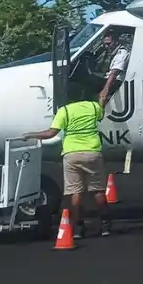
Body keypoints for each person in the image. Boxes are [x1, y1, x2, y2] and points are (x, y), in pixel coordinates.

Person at [24, 33, 129, 237]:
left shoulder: (64, 111)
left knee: (75, 193)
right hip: (92, 153)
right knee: (98, 191)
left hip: (71, 154)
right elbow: (101, 105)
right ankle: (106, 224)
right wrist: (102, 96)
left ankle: (79, 227)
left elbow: (50, 133)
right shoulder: (91, 108)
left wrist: (31, 135)